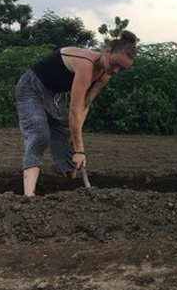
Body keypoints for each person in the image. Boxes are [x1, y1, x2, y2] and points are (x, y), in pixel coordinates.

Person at [14, 31, 139, 197]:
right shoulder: (85, 65)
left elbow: (85, 105)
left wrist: (76, 134)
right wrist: (80, 150)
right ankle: (29, 196)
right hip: (31, 88)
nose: (115, 70)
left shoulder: (104, 74)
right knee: (39, 133)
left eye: (121, 70)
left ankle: (70, 185)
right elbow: (74, 109)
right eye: (114, 64)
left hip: (56, 94)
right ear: (107, 50)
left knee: (67, 134)